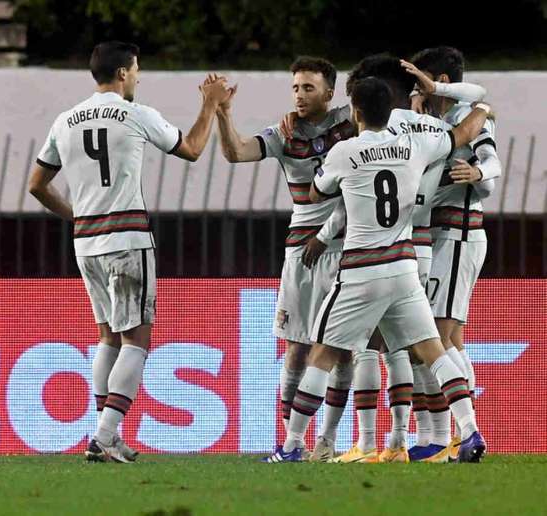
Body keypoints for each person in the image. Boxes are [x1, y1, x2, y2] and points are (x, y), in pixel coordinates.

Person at [28, 41, 232, 463]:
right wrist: (210, 106)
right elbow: (192, 149)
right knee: (136, 340)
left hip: (87, 242)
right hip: (127, 239)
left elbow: (36, 184)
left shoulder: (64, 121)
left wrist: (75, 215)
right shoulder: (136, 114)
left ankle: (107, 434)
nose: (138, 77)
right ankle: (104, 435)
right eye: (136, 69)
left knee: (107, 337)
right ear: (123, 73)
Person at [281, 76, 490, 463]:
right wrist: (483, 110)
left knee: (322, 355)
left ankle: (293, 444)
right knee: (433, 352)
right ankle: (471, 432)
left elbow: (316, 193)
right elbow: (464, 131)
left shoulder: (345, 151)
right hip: (405, 267)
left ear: (356, 112)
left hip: (361, 271)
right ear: (391, 108)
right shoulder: (414, 145)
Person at [210, 57, 356, 462]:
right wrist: (224, 114)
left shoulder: (353, 122)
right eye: (296, 88)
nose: (300, 95)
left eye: (309, 88)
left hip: (347, 245)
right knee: (296, 347)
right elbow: (235, 152)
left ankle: (327, 442)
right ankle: (293, 441)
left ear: (330, 92)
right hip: (303, 252)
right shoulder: (283, 133)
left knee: (344, 349)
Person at [411, 46, 501, 461]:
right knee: (453, 338)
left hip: (462, 234)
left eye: (423, 81)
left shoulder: (471, 116)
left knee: (438, 335)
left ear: (441, 81)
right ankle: (456, 434)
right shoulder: (441, 122)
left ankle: (461, 433)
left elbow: (492, 166)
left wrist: (478, 173)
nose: (418, 88)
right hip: (447, 234)